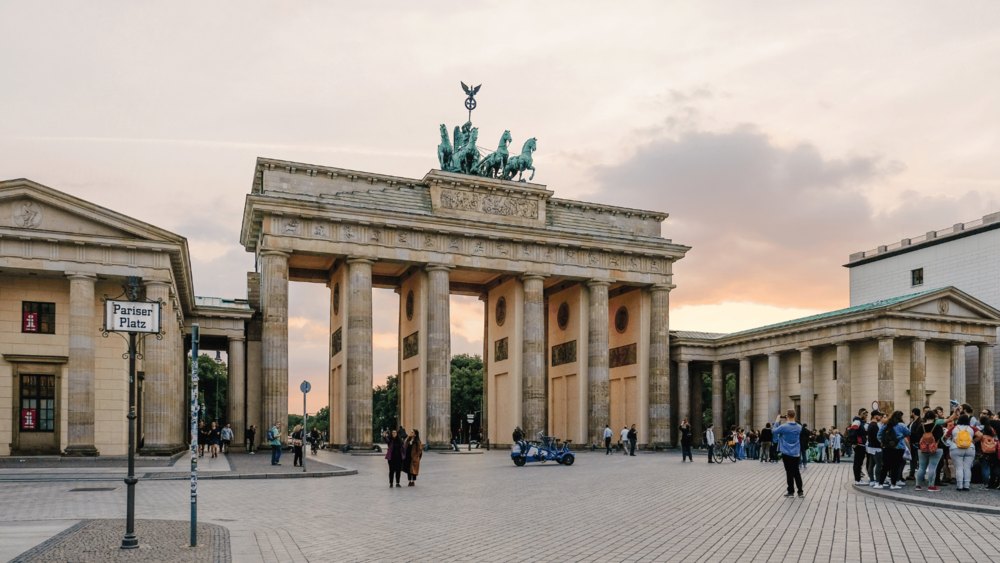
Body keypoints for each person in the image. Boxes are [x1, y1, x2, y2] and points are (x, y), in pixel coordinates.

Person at [772, 410, 804, 498]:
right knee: (796, 472)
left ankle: (791, 491)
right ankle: (800, 492)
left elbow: (774, 431)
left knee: (789, 472)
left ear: (787, 416)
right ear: (794, 416)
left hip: (786, 452)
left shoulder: (783, 427)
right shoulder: (799, 427)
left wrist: (777, 421)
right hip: (796, 452)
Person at [877, 410, 910, 490]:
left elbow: (879, 435)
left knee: (885, 466)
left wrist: (883, 442)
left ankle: (880, 483)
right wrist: (901, 435)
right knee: (895, 466)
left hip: (887, 448)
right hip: (899, 448)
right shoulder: (901, 425)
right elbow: (908, 433)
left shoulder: (887, 424)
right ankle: (893, 484)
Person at [915, 410, 944, 492]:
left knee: (921, 468)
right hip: (935, 449)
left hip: (922, 449)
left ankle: (918, 485)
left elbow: (917, 437)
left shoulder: (921, 426)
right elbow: (940, 437)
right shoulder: (937, 426)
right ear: (934, 417)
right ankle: (931, 486)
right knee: (932, 467)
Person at [849, 410, 868, 484]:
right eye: (865, 415)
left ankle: (858, 479)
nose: (866, 417)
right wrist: (855, 442)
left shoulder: (860, 422)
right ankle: (857, 480)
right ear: (862, 414)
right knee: (858, 462)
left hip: (860, 444)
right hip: (859, 445)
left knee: (859, 462)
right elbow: (852, 431)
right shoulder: (857, 421)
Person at [866, 411, 884, 487]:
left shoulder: (870, 424)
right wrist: (882, 444)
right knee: (878, 465)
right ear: (875, 416)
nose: (880, 417)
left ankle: (872, 481)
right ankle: (877, 482)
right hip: (876, 447)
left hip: (870, 447)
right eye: (879, 416)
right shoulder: (874, 425)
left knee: (871, 464)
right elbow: (877, 437)